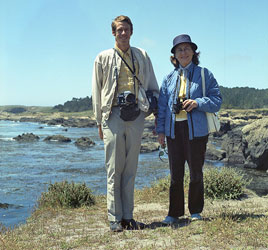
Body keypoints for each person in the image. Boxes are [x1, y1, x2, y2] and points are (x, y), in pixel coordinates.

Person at [92, 15, 159, 232]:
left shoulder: (142, 55)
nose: (123, 33)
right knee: (114, 168)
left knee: (131, 168)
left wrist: (153, 111)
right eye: (119, 30)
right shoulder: (102, 58)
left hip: (136, 116)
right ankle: (114, 217)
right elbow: (96, 92)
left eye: (126, 29)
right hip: (112, 115)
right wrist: (99, 123)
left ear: (132, 31)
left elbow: (151, 85)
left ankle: (128, 216)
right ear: (113, 33)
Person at [156, 34, 222, 224]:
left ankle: (195, 211)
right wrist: (161, 131)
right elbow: (162, 108)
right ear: (174, 55)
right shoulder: (168, 78)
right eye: (179, 49)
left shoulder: (204, 74)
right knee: (175, 174)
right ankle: (174, 213)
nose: (183, 52)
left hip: (197, 131)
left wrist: (198, 102)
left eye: (186, 49)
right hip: (173, 131)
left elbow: (216, 101)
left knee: (195, 173)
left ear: (194, 52)